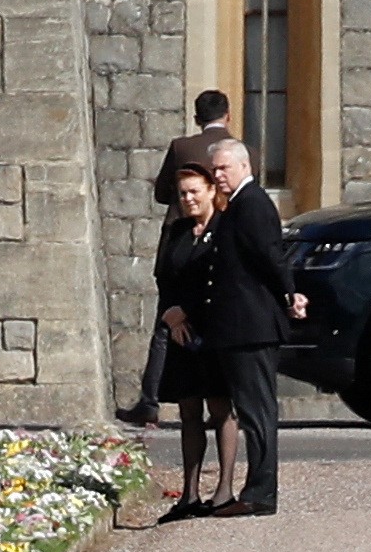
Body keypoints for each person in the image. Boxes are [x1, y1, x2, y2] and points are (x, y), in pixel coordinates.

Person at [117, 88, 235, 427]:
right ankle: (221, 402)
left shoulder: (182, 147)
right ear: (227, 116)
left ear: (197, 119)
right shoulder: (245, 152)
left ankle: (150, 401)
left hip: (179, 243)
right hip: (220, 240)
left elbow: (160, 193)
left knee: (165, 324)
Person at [202, 139, 306, 517]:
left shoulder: (253, 204)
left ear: (244, 166)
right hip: (241, 326)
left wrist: (289, 296)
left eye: (223, 168)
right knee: (251, 411)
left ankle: (261, 493)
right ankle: (257, 490)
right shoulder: (238, 206)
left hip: (252, 326)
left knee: (258, 413)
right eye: (214, 170)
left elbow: (271, 258)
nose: (217, 175)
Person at [152, 163, 240, 524]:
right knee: (188, 412)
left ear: (209, 191)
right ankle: (189, 493)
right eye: (183, 193)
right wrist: (170, 313)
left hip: (215, 330)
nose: (188, 199)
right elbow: (164, 277)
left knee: (221, 409)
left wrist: (190, 311)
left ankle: (224, 489)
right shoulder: (177, 232)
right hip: (181, 334)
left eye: (194, 192)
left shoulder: (225, 228)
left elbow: (227, 279)